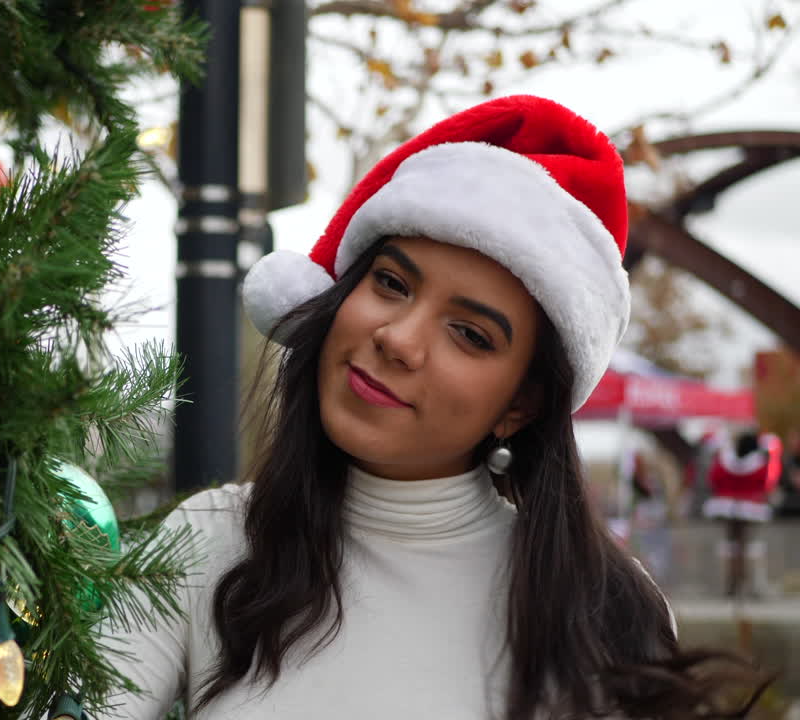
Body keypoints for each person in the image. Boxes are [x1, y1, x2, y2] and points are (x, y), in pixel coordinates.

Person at [99, 95, 766, 719]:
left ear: (522, 405)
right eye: (390, 284)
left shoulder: (608, 610)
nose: (398, 339)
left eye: (471, 335)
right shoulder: (210, 544)